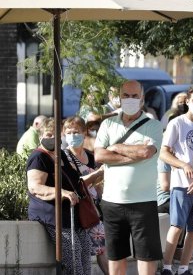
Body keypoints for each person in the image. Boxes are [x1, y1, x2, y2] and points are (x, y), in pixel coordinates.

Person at [94, 80, 163, 275]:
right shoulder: (108, 124)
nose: (130, 99)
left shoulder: (154, 125)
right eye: (126, 95)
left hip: (144, 202)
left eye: (135, 96)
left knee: (147, 258)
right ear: (119, 98)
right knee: (116, 258)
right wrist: (133, 154)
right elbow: (99, 156)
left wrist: (115, 148)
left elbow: (146, 153)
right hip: (112, 203)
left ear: (142, 98)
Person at [26, 117, 99, 275]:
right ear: (40, 136)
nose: (52, 138)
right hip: (52, 216)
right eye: (48, 135)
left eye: (55, 135)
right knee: (74, 258)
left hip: (73, 216)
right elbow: (35, 187)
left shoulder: (62, 156)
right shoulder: (38, 158)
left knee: (86, 252)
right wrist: (62, 193)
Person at [160, 84, 193, 275]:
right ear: (187, 102)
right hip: (181, 184)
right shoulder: (177, 123)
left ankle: (183, 268)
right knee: (177, 226)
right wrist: (183, 165)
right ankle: (166, 266)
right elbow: (164, 153)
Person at [62, 116, 108, 274]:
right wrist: (97, 175)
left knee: (100, 247)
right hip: (76, 209)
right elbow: (76, 184)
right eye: (69, 132)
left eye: (76, 132)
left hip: (93, 208)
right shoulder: (65, 157)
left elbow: (99, 184)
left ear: (84, 133)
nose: (72, 136)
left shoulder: (91, 156)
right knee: (86, 251)